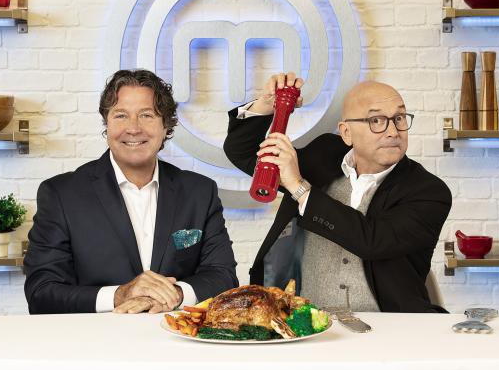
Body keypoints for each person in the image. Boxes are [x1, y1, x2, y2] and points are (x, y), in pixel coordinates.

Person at [223, 72, 451, 313]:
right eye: (376, 120)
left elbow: (372, 241)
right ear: (346, 133)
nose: (393, 131)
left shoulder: (429, 192)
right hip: (305, 320)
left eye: (399, 118)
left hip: (391, 324)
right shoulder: (323, 154)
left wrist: (299, 187)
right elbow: (242, 151)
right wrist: (267, 106)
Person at [24, 69, 238, 314]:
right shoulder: (61, 194)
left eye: (146, 115)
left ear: (166, 125)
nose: (133, 128)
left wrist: (176, 294)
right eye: (121, 115)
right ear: (106, 124)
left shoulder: (199, 192)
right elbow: (41, 292)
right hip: (95, 336)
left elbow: (223, 277)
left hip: (175, 335)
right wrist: (119, 295)